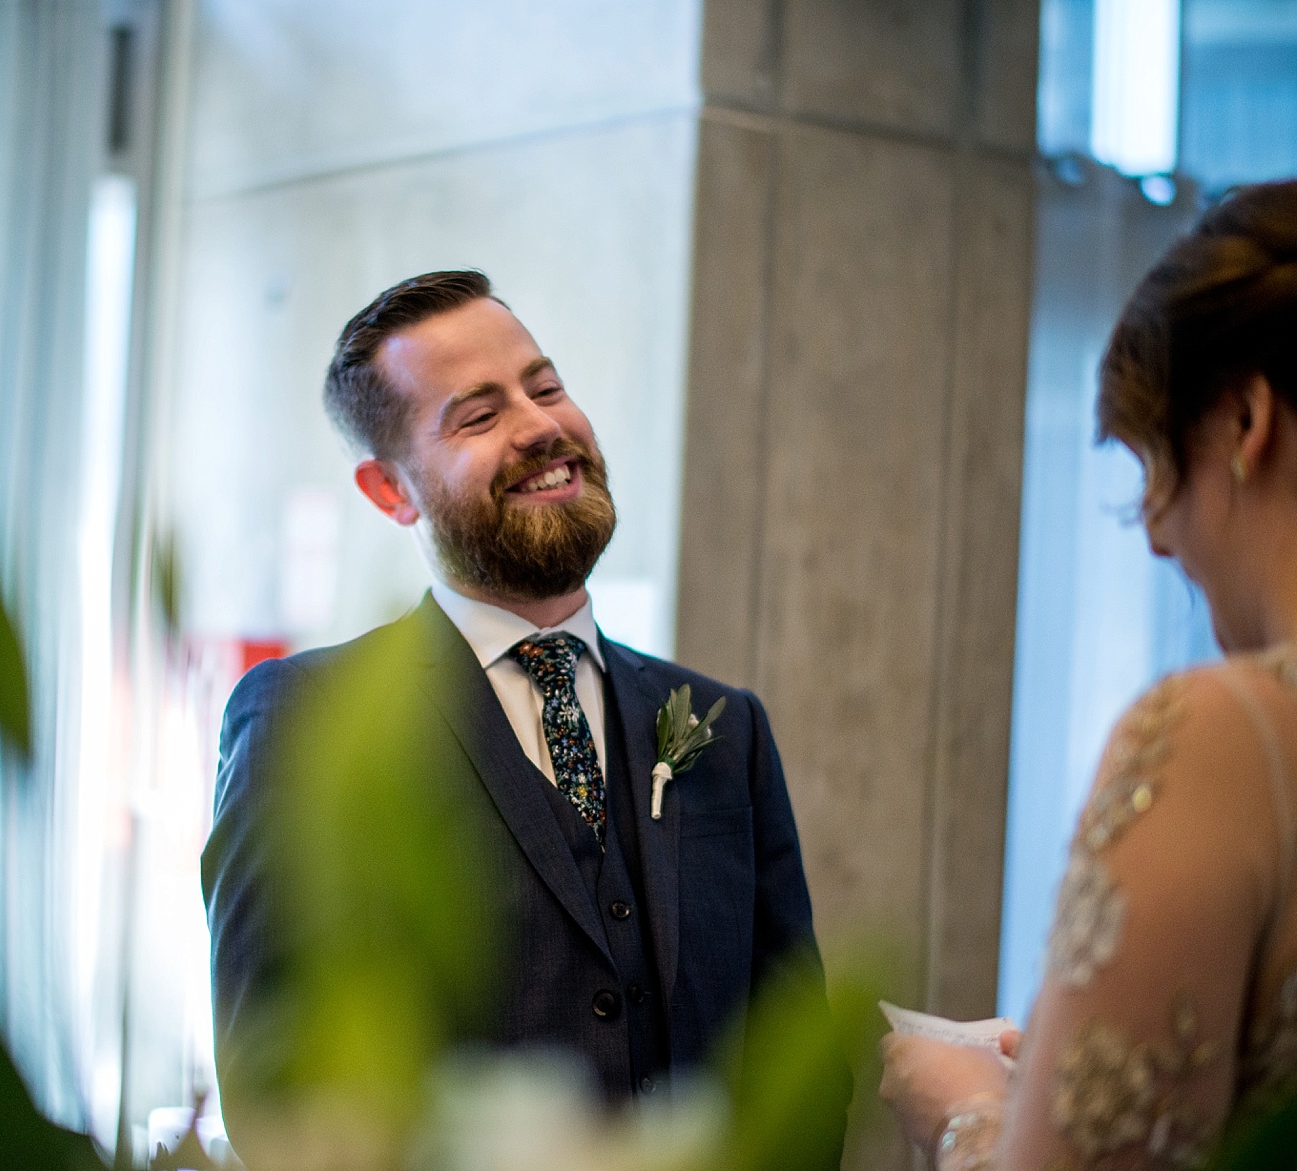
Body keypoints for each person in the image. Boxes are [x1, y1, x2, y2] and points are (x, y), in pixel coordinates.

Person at [203, 271, 842, 1162]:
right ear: (391, 490)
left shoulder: (722, 727)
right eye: (478, 414)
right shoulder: (310, 723)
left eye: (545, 387)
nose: (542, 425)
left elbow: (791, 1055)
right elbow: (281, 1092)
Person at [880, 180, 1297, 1169]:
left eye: (1159, 468)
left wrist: (968, 1111)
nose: (1157, 535)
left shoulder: (1225, 733)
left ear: (1245, 421)